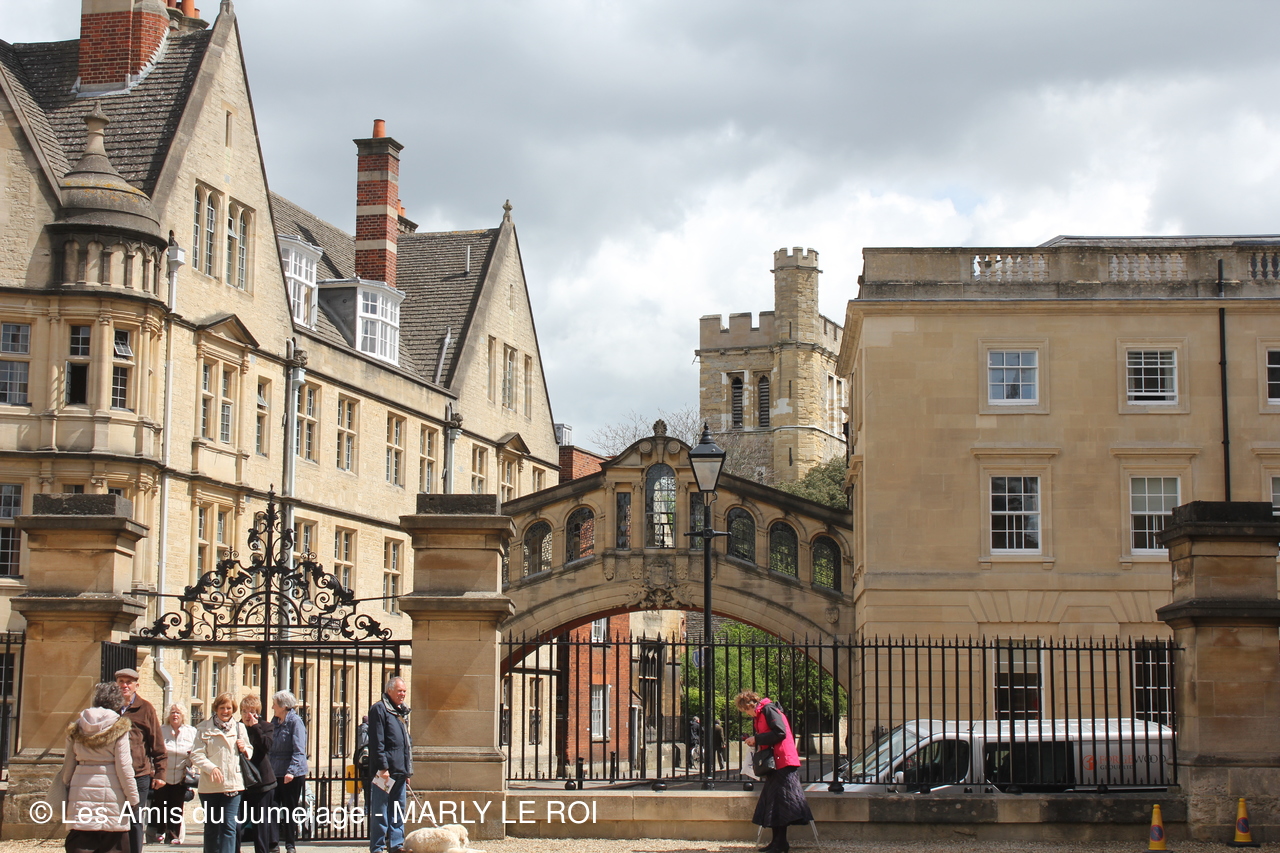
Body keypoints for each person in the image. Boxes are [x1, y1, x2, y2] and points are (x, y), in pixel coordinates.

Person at [61, 682, 141, 853]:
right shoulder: (119, 726)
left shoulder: (77, 726)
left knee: (82, 841)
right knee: (112, 844)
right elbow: (124, 767)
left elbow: (68, 765)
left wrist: (66, 785)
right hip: (112, 791)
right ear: (117, 703)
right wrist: (133, 798)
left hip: (81, 789)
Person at [737, 690, 812, 853]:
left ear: (749, 705)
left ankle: (780, 843)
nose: (747, 714)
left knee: (780, 803)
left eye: (745, 710)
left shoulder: (768, 710)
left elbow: (780, 732)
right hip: (777, 761)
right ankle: (777, 842)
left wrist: (757, 739)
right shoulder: (762, 713)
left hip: (783, 761)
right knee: (775, 802)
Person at [191, 693, 250, 853]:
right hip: (210, 786)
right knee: (212, 827)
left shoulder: (239, 728)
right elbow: (196, 754)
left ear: (233, 709)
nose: (225, 711)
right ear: (216, 708)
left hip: (233, 784)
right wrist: (212, 768)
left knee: (229, 826)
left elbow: (249, 751)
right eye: (222, 707)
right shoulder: (203, 728)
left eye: (228, 708)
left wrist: (245, 748)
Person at [116, 668, 167, 853]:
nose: (125, 685)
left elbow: (157, 742)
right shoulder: (109, 708)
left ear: (136, 686)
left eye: (129, 682)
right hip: (114, 773)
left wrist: (160, 772)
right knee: (115, 818)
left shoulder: (145, 708)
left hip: (139, 773)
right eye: (121, 681)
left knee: (135, 818)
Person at [367, 676, 411, 853]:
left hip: (399, 770)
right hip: (385, 771)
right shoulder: (379, 709)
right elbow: (377, 742)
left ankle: (396, 844)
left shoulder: (400, 711)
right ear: (389, 690)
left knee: (398, 810)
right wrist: (382, 768)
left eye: (404, 691)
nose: (402, 694)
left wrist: (407, 771)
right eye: (399, 691)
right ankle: (378, 846)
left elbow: (406, 744)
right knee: (381, 810)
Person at [268, 691, 307, 853]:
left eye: (275, 704)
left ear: (284, 706)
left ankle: (290, 844)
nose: (272, 707)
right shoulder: (275, 721)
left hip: (292, 774)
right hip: (275, 771)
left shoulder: (295, 722)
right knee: (273, 808)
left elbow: (299, 750)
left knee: (290, 809)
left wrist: (291, 771)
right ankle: (273, 843)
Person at [238, 695, 277, 853]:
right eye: (245, 711)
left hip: (262, 782)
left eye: (252, 711)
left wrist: (255, 727)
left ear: (258, 712)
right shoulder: (236, 728)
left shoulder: (266, 726)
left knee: (260, 823)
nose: (248, 715)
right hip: (240, 781)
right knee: (237, 821)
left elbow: (266, 747)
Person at [153, 704, 196, 845]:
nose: (175, 715)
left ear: (183, 715)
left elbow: (196, 752)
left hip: (181, 775)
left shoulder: (191, 732)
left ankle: (173, 835)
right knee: (161, 804)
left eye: (178, 713)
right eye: (172, 712)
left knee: (177, 806)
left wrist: (192, 765)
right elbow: (155, 751)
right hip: (163, 775)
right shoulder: (161, 731)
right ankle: (160, 831)